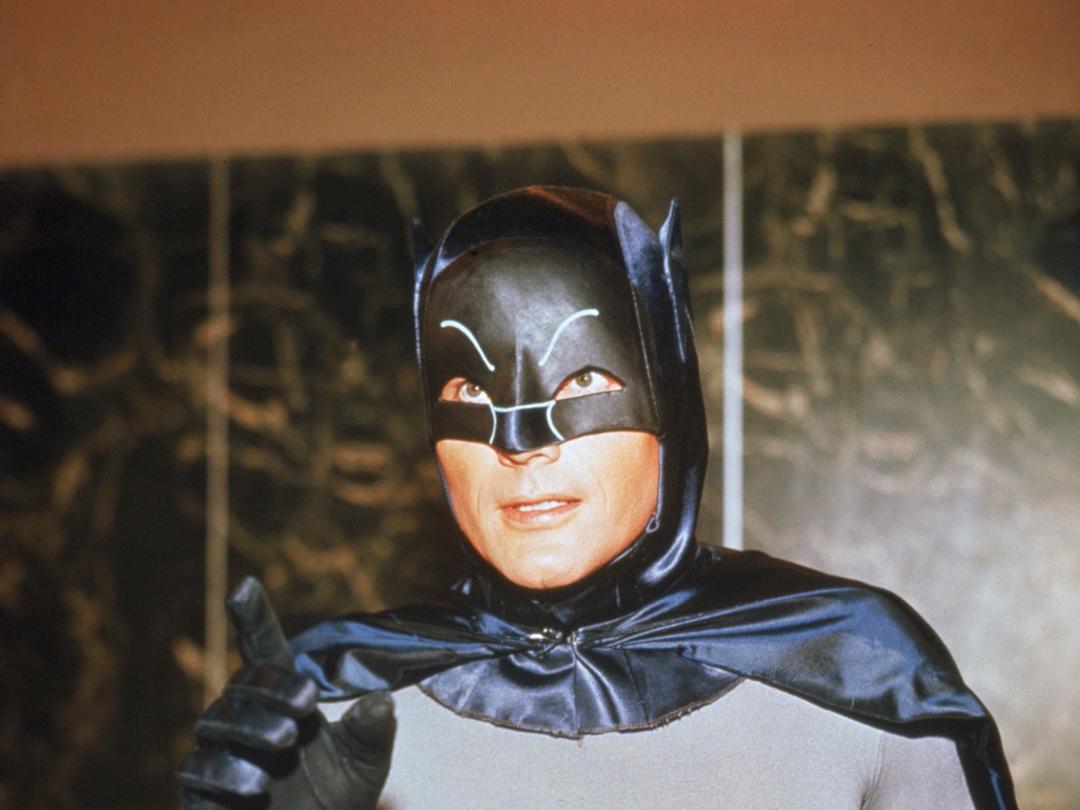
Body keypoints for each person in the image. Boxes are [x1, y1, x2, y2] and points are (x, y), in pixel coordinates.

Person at [179, 186, 1016, 809]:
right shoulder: (328, 701)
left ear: (670, 406)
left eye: (582, 381)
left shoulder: (860, 673)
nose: (520, 443)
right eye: (471, 392)